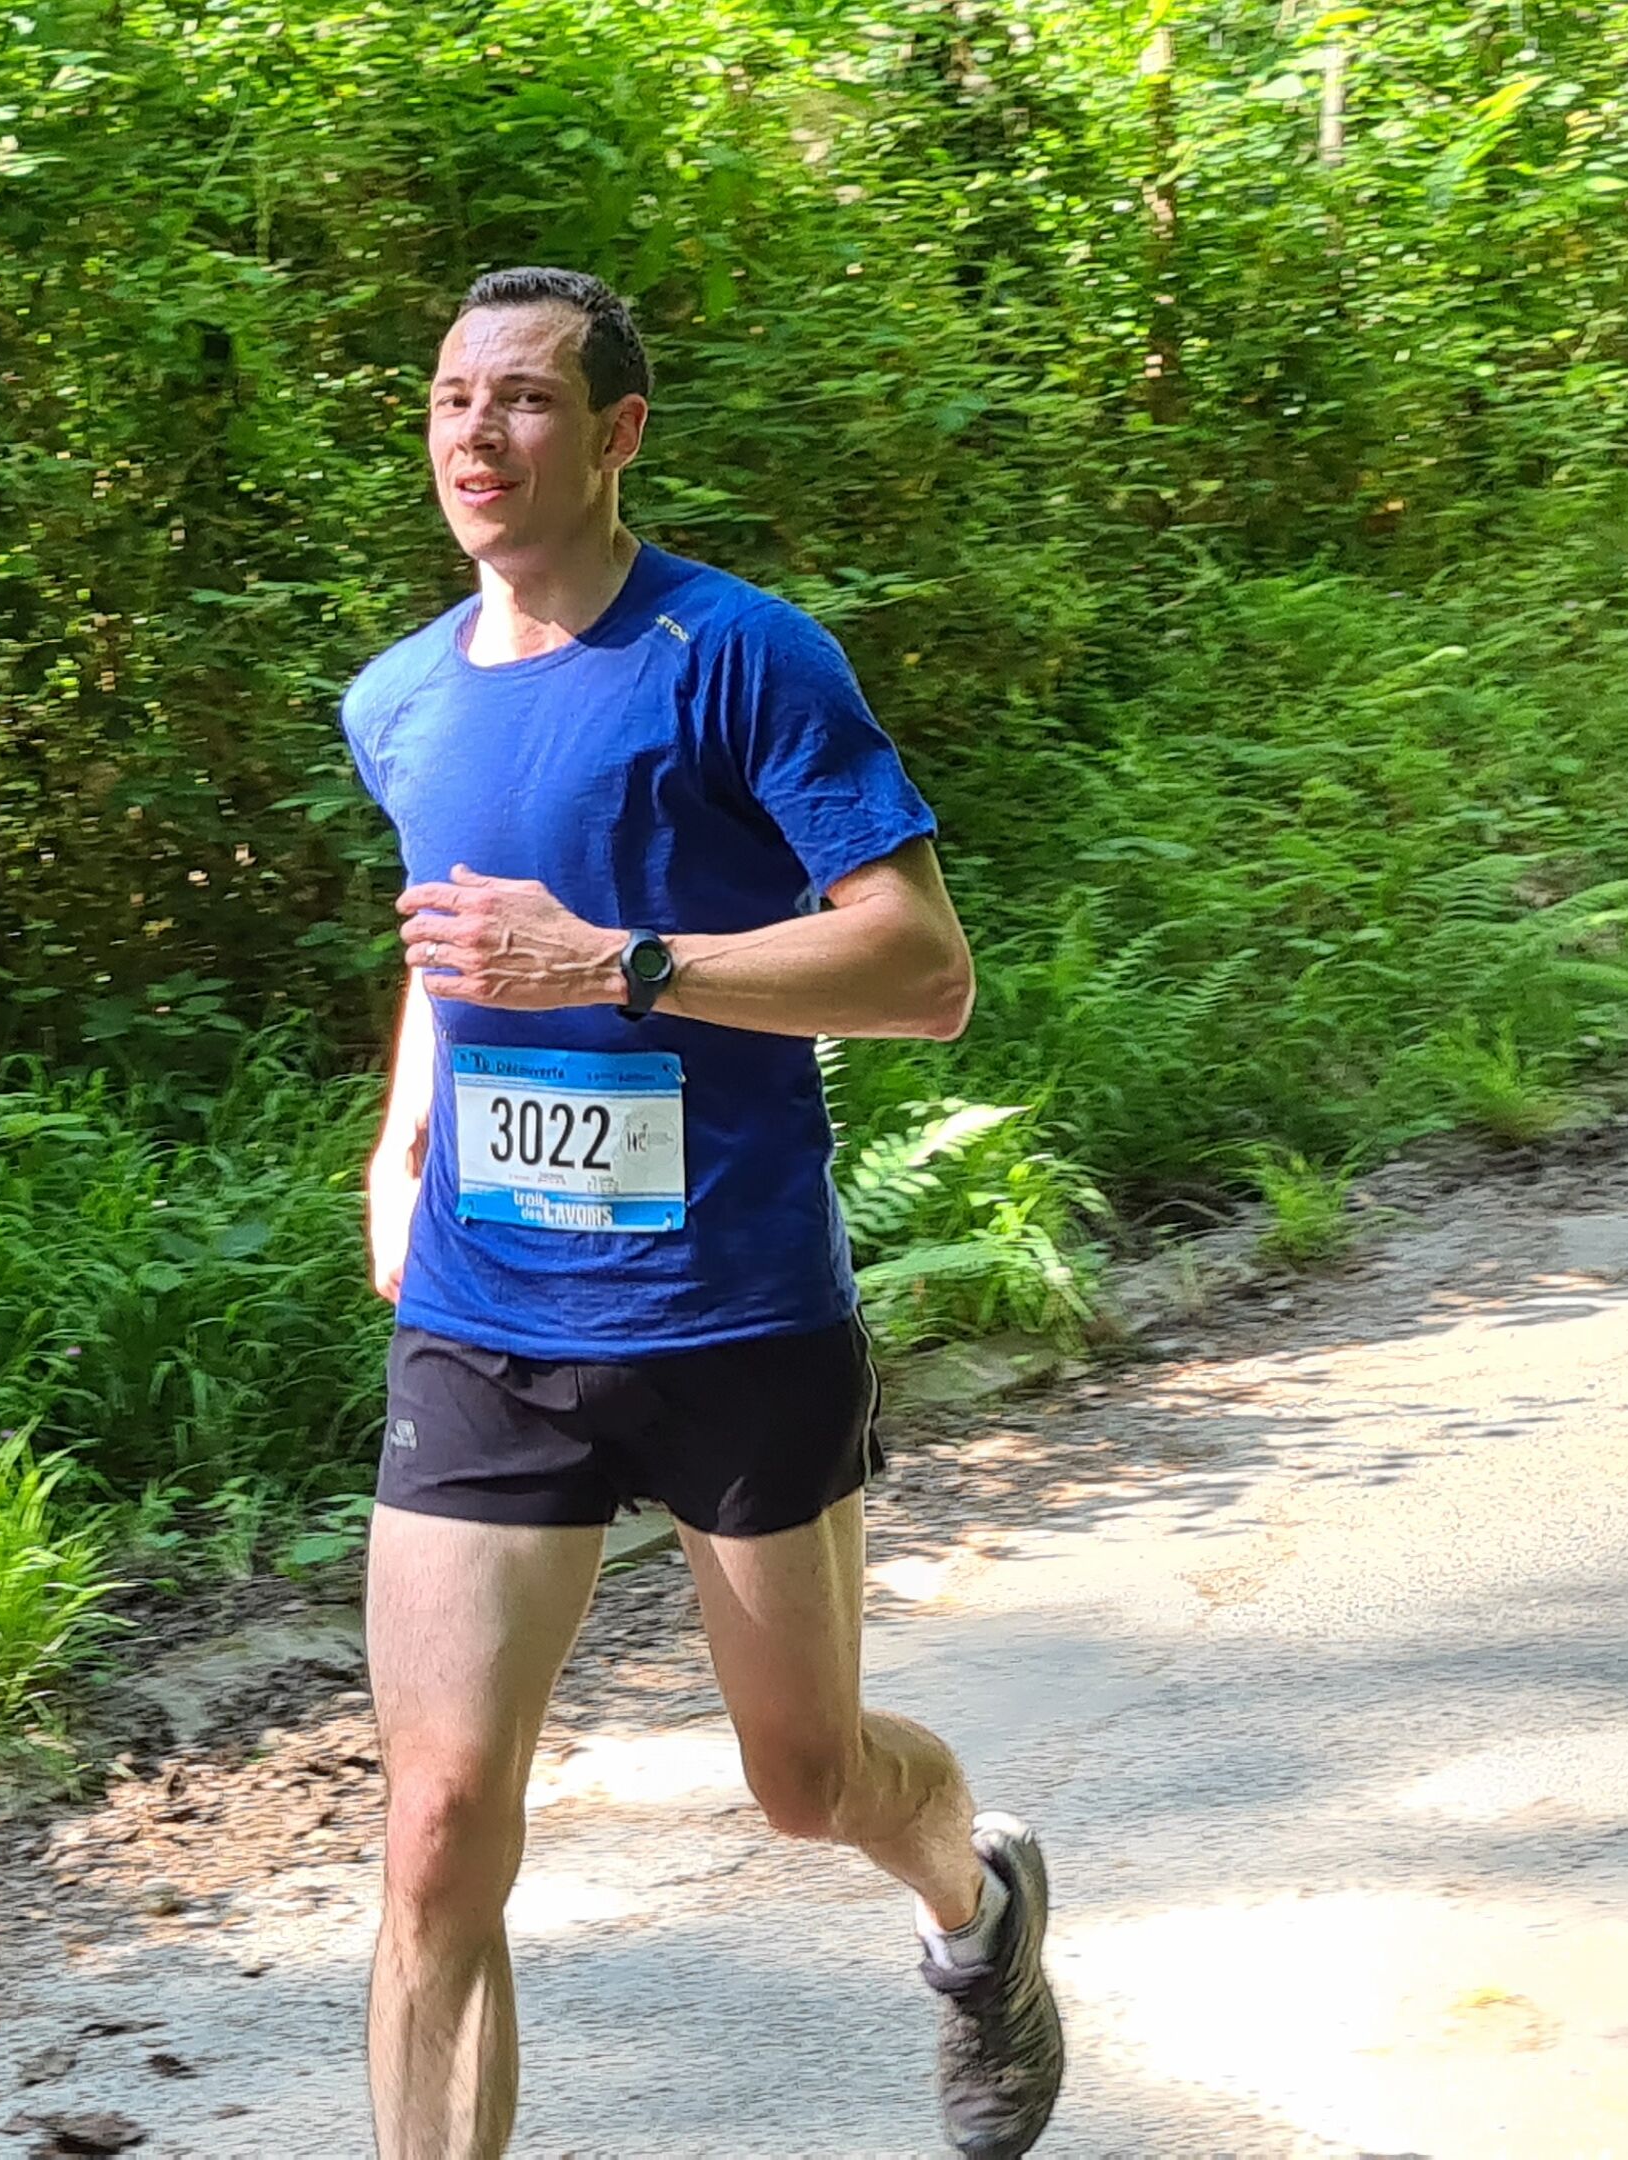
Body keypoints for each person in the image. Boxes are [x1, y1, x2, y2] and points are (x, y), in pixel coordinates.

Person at [343, 266, 1063, 2158]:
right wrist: (403, 1139)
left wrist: (618, 966)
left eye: (523, 399)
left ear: (617, 434)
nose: (478, 434)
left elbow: (922, 972)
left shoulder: (740, 656)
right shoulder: (396, 699)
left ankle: (977, 1902)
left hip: (732, 1313)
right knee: (436, 1827)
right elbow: (453, 942)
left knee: (808, 1782)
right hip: (489, 1318)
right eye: (451, 399)